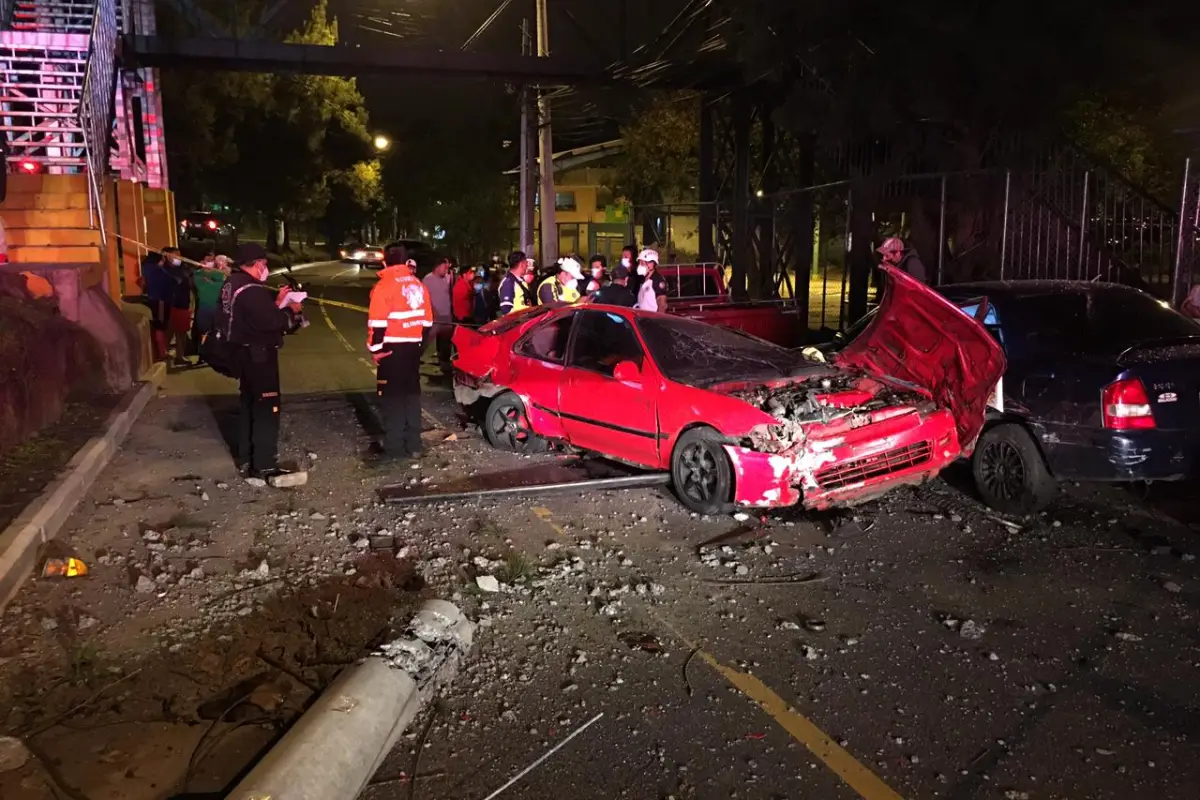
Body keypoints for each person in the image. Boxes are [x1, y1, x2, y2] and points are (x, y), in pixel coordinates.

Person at [218, 243, 304, 483]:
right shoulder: (252, 289)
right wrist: (291, 311)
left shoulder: (231, 284)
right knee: (267, 408)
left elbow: (251, 316)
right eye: (264, 264)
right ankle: (265, 464)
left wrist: (276, 302)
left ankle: (247, 457)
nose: (265, 269)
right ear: (256, 264)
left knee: (249, 404)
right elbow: (269, 321)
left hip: (242, 353)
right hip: (259, 355)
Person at [367, 249, 432, 462]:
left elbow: (377, 325)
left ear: (386, 263)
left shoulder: (384, 286)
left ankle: (394, 448)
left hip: (391, 350)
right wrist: (418, 346)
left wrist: (376, 351)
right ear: (405, 263)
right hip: (413, 349)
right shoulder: (419, 286)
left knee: (392, 398)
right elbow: (427, 323)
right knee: (412, 396)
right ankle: (414, 445)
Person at [192, 252, 226, 361]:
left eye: (212, 260)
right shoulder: (197, 274)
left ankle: (217, 354)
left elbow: (222, 287)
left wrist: (211, 283)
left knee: (218, 332)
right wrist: (214, 283)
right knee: (204, 332)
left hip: (217, 308)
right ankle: (203, 354)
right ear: (202, 261)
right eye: (207, 260)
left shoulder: (219, 274)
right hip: (204, 308)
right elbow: (203, 288)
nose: (210, 262)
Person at [422, 257, 454, 372]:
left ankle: (444, 363)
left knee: (446, 341)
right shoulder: (427, 279)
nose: (446, 270)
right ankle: (414, 359)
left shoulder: (449, 278)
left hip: (447, 316)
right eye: (444, 267)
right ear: (437, 267)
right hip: (434, 317)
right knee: (426, 340)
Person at [140, 249, 172, 361]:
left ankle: (161, 351)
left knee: (158, 326)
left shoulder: (145, 269)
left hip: (152, 299)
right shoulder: (159, 271)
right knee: (160, 327)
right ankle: (162, 352)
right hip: (161, 300)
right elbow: (168, 284)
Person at [163, 247, 193, 366]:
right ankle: (163, 354)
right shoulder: (164, 269)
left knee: (181, 332)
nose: (178, 258)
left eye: (179, 255)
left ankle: (179, 356)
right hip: (171, 304)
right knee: (169, 331)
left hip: (183, 304)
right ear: (167, 256)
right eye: (175, 255)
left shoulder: (183, 269)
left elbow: (189, 283)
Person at [498, 251, 533, 315]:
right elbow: (506, 309)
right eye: (526, 263)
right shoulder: (508, 283)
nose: (527, 265)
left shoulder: (521, 281)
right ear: (521, 264)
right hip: (517, 323)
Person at [635, 248, 669, 313]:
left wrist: (657, 321)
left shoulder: (657, 280)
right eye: (639, 263)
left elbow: (662, 304)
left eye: (642, 263)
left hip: (652, 320)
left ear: (651, 264)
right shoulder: (642, 280)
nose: (639, 266)